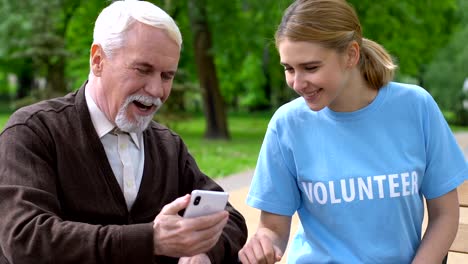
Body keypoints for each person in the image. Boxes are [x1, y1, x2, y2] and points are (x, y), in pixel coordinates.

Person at [0, 1, 247, 263]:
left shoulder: (168, 146)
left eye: (167, 76)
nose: (155, 90)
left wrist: (203, 253)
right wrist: (151, 240)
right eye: (143, 69)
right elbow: (25, 240)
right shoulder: (33, 132)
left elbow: (231, 218)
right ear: (98, 61)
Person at [238, 0, 467, 263]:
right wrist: (263, 243)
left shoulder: (416, 107)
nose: (297, 83)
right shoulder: (286, 125)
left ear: (351, 55)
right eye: (289, 69)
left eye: (311, 67)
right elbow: (273, 229)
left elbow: (445, 215)